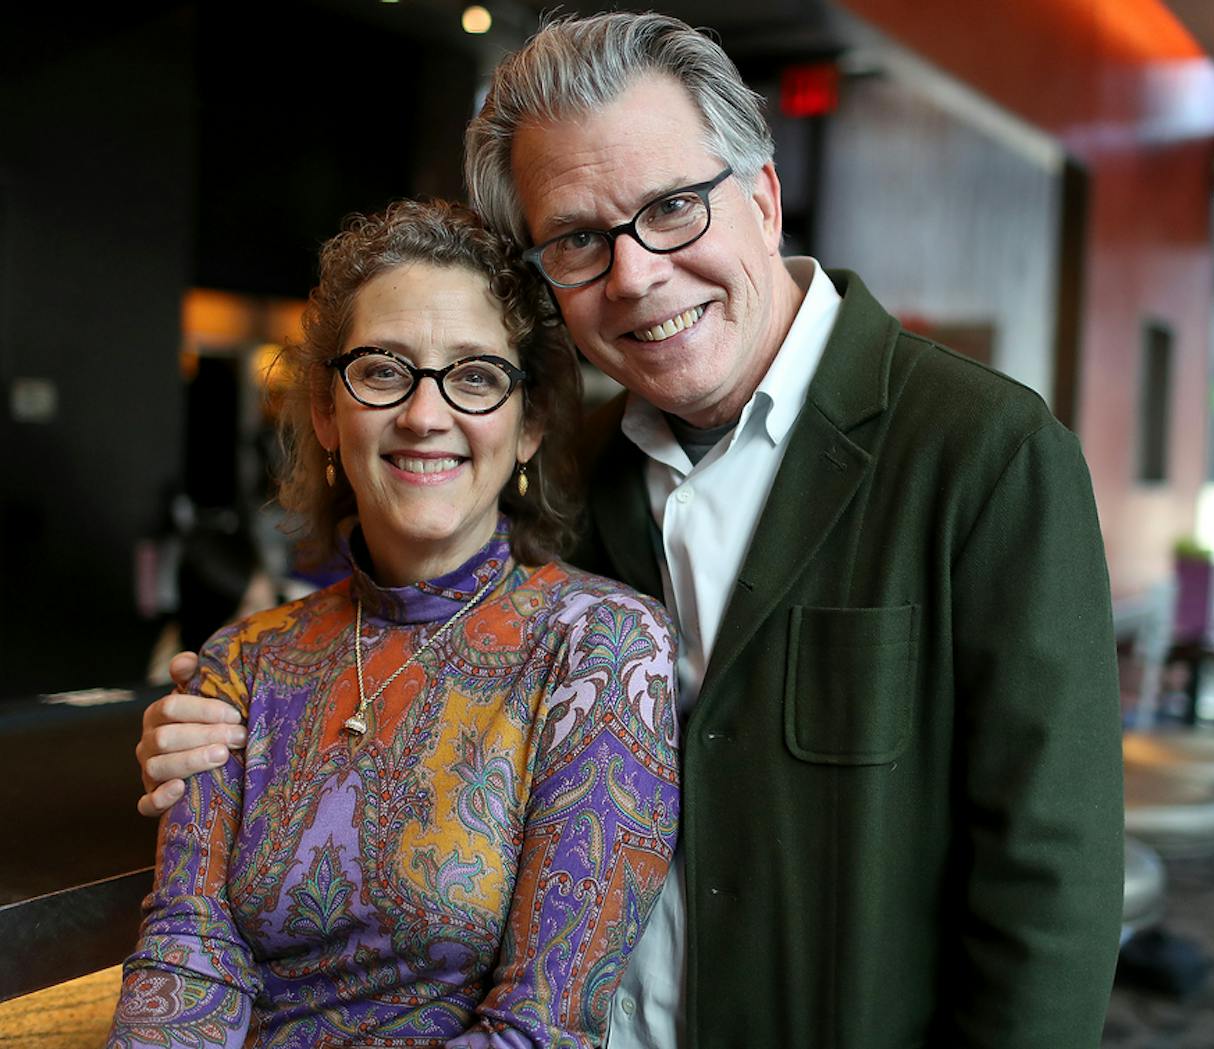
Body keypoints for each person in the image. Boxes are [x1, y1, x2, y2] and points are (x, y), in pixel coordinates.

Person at [136, 13, 1124, 1048]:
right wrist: (214, 737)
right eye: (576, 238)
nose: (636, 273)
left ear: (762, 194)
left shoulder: (982, 451)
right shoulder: (571, 469)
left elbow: (1047, 880)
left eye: (671, 208)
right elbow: (429, 672)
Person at [112, 199, 680, 1048]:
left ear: (527, 426)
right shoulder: (245, 660)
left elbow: (541, 1027)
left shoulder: (600, 649)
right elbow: (189, 954)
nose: (425, 414)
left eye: (476, 375)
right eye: (383, 370)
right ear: (325, 412)